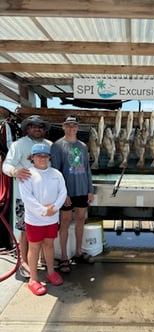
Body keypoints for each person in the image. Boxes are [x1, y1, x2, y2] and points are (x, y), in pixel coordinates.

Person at [3, 115, 52, 278]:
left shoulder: (50, 145)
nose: (37, 128)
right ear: (27, 128)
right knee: (25, 231)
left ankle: (44, 259)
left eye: (40, 126)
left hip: (46, 198)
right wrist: (15, 171)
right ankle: (24, 261)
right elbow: (6, 165)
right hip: (24, 198)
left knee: (46, 230)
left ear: (44, 129)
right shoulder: (18, 145)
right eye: (33, 126)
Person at [19, 143, 67, 295]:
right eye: (38, 156)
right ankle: (33, 279)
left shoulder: (56, 174)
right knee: (34, 247)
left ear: (49, 157)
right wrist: (43, 211)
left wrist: (54, 208)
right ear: (32, 157)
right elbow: (27, 198)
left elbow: (62, 192)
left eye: (45, 156)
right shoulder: (27, 174)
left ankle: (51, 271)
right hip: (34, 220)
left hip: (52, 219)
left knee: (49, 245)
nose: (42, 158)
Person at [51, 114, 95, 273]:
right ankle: (63, 257)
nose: (71, 128)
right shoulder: (57, 146)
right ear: (63, 127)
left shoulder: (83, 146)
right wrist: (63, 194)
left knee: (80, 220)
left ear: (77, 128)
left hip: (82, 190)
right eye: (68, 125)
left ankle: (78, 252)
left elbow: (87, 169)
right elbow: (55, 173)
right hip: (66, 193)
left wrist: (90, 189)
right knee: (65, 222)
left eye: (74, 125)